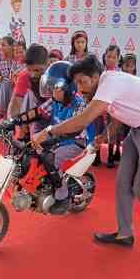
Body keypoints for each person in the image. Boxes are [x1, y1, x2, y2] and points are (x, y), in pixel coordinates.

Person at [32, 55, 140, 248]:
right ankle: (125, 234)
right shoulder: (107, 85)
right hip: (138, 131)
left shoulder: (110, 82)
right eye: (77, 83)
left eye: (82, 82)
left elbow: (84, 119)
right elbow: (118, 112)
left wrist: (48, 131)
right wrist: (105, 136)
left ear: (95, 77)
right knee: (122, 183)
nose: (80, 88)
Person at [10, 60, 97, 214]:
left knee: (52, 159)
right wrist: (16, 120)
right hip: (57, 138)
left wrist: (48, 140)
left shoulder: (79, 105)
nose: (51, 91)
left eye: (55, 87)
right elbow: (37, 112)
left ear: (68, 88)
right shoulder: (55, 101)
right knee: (31, 153)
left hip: (75, 142)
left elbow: (73, 132)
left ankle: (62, 197)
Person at [7, 44, 50, 137]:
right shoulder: (24, 75)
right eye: (29, 70)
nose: (33, 75)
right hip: (41, 112)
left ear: (48, 63)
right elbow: (16, 102)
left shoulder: (57, 75)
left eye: (37, 70)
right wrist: (13, 122)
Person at [0, 36, 23, 141]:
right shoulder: (0, 58)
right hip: (3, 87)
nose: (1, 47)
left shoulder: (16, 58)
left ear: (11, 46)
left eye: (4, 45)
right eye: (1, 45)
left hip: (15, 88)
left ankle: (8, 135)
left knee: (11, 113)